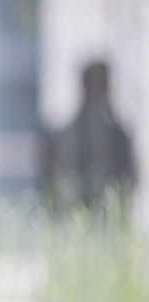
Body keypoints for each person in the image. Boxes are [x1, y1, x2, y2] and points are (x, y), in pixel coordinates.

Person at [44, 60, 136, 215]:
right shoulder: (66, 136)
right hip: (76, 218)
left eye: (102, 86)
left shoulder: (118, 137)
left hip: (106, 219)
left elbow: (128, 183)